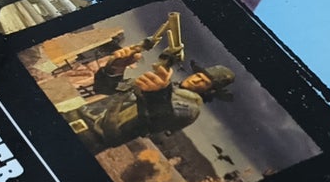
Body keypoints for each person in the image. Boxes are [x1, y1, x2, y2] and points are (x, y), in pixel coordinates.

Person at [71, 63, 238, 151]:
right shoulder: (161, 85)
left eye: (204, 82)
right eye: (198, 75)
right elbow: (104, 88)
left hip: (91, 137)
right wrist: (116, 67)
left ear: (209, 90)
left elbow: (160, 118)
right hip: (74, 115)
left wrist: (158, 94)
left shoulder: (190, 109)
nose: (196, 79)